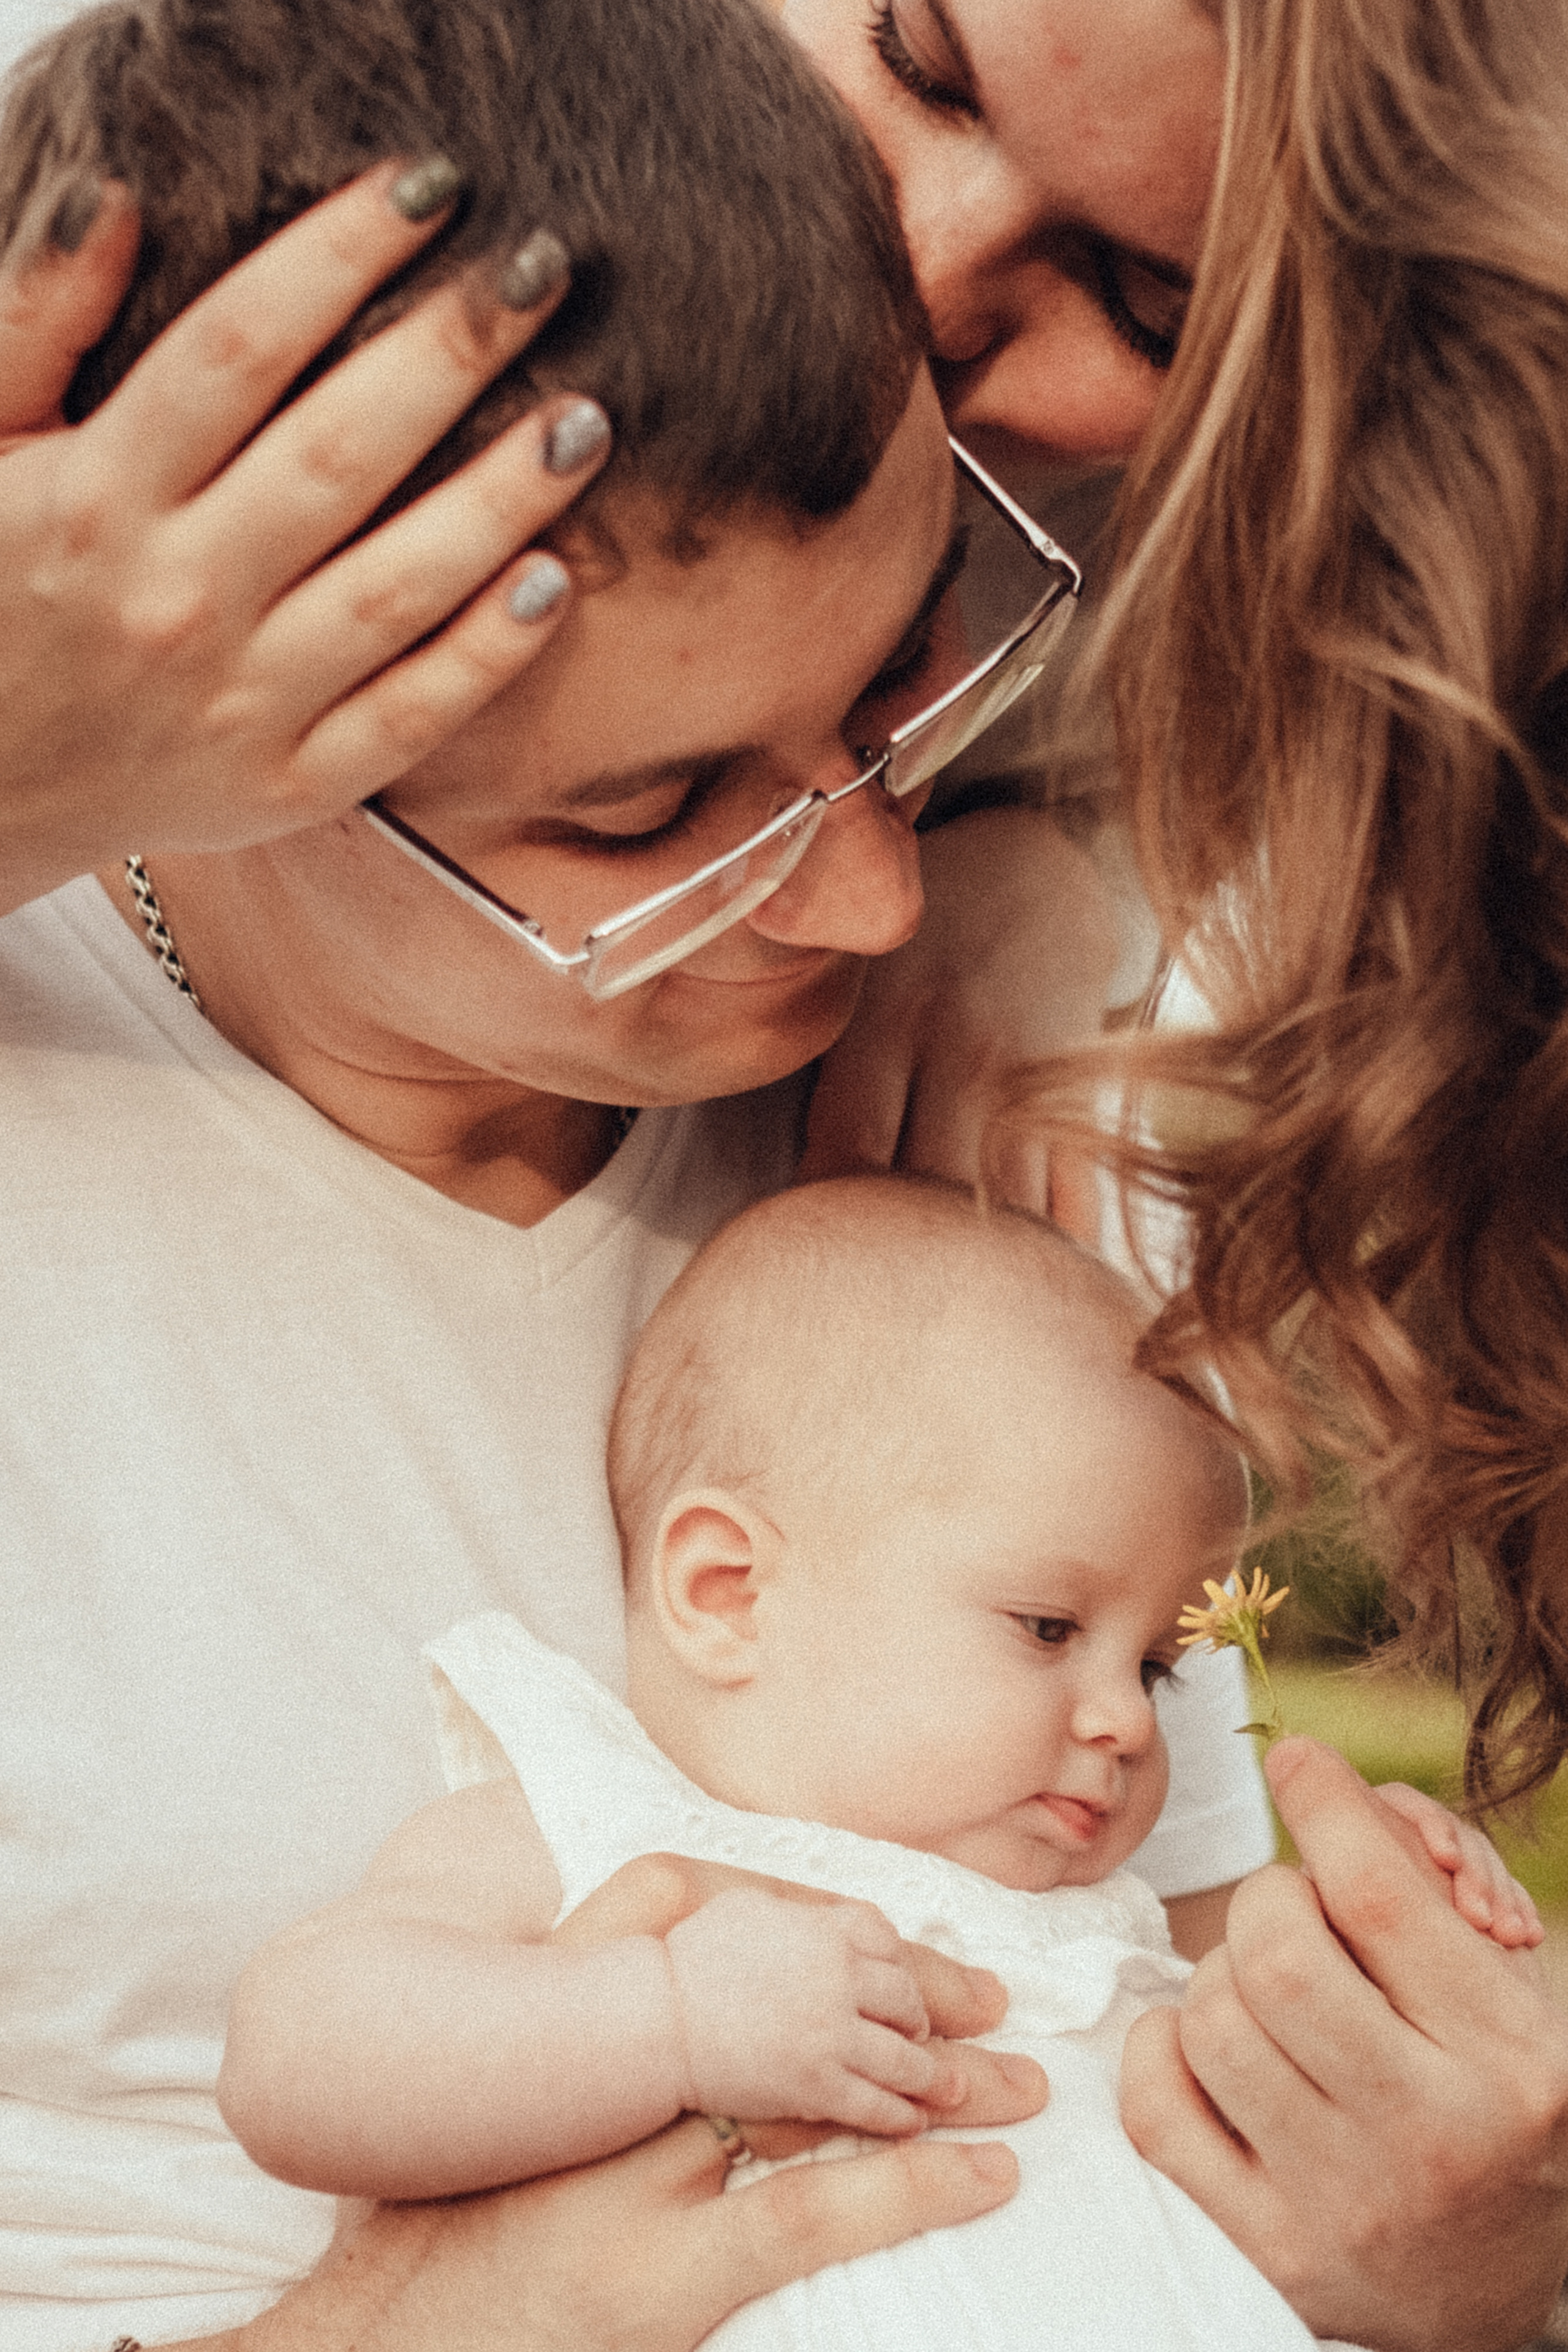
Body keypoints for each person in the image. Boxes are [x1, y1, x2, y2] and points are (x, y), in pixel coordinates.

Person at [5, 0, 1567, 2346]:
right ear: (211, 702)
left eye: (909, 695)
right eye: (643, 824)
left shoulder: (944, 1180)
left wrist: (1453, 2257)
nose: (866, 904)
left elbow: (1164, 2015)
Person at [214, 1177, 1539, 2352]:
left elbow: (1280, 2173)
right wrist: (669, 2023)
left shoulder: (1093, 1936)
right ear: (728, 1593)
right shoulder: (603, 1822)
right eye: (1046, 1629)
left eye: (1151, 1666)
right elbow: (296, 2062)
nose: (1129, 1726)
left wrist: (1377, 1964)